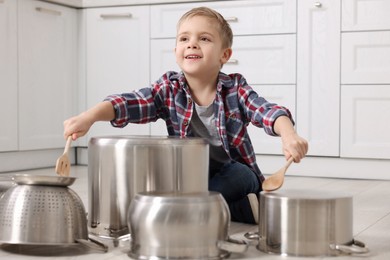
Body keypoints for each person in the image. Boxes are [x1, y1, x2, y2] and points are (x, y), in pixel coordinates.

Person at [63, 7, 308, 224]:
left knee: (240, 175)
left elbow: (267, 111)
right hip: (188, 176)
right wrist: (90, 116)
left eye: (204, 38)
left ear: (224, 55)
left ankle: (185, 210)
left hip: (234, 174)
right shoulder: (168, 89)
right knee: (166, 182)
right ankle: (234, 210)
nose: (192, 44)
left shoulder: (235, 89)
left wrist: (288, 135)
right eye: (184, 38)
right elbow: (127, 103)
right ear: (176, 50)